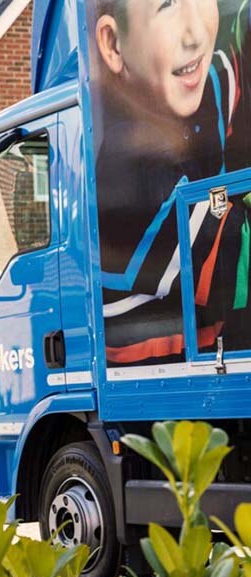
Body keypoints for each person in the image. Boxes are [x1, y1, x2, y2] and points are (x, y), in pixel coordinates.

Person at [91, 0, 251, 365]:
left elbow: (232, 67)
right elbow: (229, 260)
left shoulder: (200, 85)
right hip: (161, 378)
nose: (195, 35)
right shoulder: (124, 169)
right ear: (114, 45)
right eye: (167, 5)